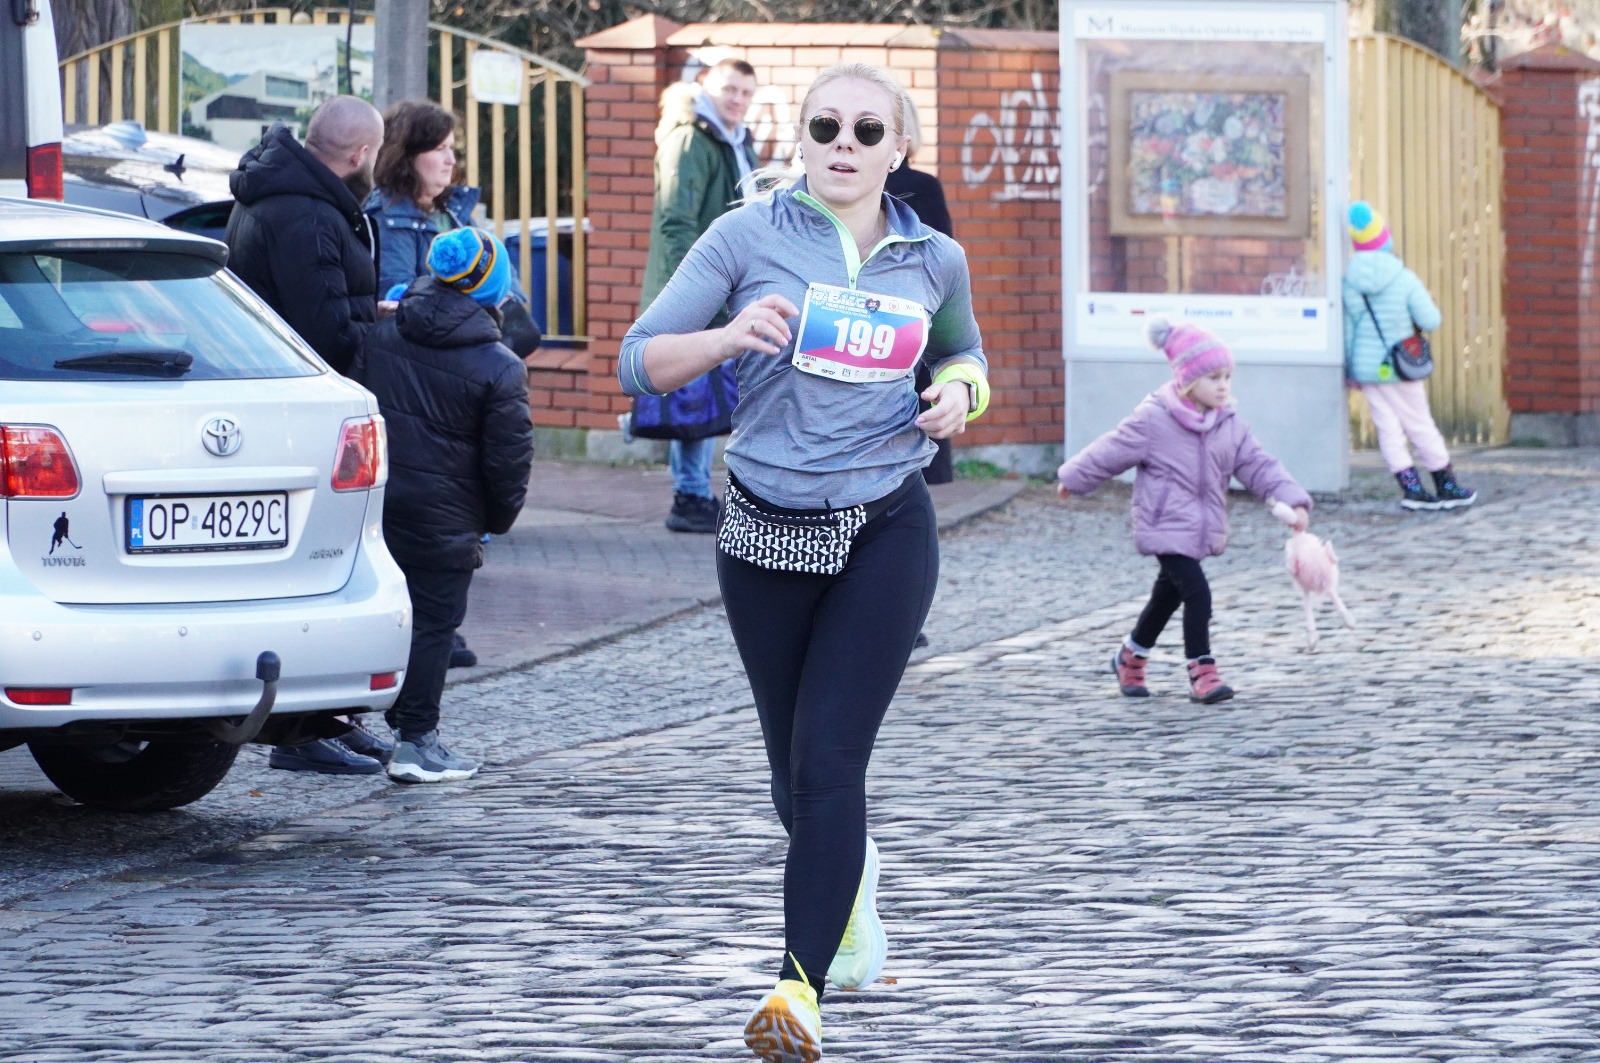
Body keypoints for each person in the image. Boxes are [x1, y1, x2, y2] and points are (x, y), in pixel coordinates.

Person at [620, 62, 990, 1062]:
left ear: (898, 149)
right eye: (826, 126)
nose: (844, 144)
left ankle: (798, 989)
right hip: (765, 531)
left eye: (868, 130)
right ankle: (850, 889)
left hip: (885, 524)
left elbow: (967, 354)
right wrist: (725, 337)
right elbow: (639, 359)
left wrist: (959, 394)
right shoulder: (746, 237)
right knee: (794, 775)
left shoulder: (934, 257)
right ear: (801, 138)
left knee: (830, 760)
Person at [225, 96, 395, 775]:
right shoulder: (309, 214)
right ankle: (300, 732)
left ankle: (328, 718)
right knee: (310, 571)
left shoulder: (284, 195)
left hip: (281, 408)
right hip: (301, 419)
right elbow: (322, 330)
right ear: (361, 154)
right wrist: (382, 337)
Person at [351, 227, 534, 783]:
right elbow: (509, 463)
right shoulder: (500, 366)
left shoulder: (379, 335)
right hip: (445, 518)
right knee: (433, 625)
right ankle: (416, 743)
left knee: (371, 614)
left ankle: (338, 726)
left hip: (374, 506)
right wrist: (493, 522)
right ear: (493, 289)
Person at [365, 100, 539, 670]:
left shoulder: (456, 213)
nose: (450, 160)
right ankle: (422, 637)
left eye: (451, 149)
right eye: (438, 149)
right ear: (407, 155)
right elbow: (394, 301)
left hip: (469, 376)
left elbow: (500, 285)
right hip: (421, 384)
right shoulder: (385, 218)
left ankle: (440, 628)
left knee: (460, 498)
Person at [1057, 318, 1311, 705]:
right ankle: (1202, 671)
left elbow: (1260, 466)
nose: (1223, 386)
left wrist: (1291, 499)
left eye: (1227, 377)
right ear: (1188, 380)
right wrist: (1073, 478)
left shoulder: (1230, 426)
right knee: (1197, 593)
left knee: (1167, 596)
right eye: (1213, 377)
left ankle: (1130, 656)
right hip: (1164, 524)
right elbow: (1110, 450)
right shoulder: (1154, 419)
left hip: (1200, 527)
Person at [636, 58, 760, 534]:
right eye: (730, 89)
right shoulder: (691, 138)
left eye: (746, 92)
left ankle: (698, 489)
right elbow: (676, 221)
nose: (738, 100)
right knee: (692, 396)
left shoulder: (736, 140)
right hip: (698, 289)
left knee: (708, 394)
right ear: (706, 86)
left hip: (728, 288)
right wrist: (693, 293)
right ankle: (688, 494)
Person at [225, 96, 384, 376]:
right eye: (377, 153)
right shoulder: (311, 220)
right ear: (360, 155)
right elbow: (332, 341)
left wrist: (371, 314)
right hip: (291, 384)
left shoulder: (277, 191)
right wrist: (389, 332)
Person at [1343, 202, 1477, 511]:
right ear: (1384, 240)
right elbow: (1431, 320)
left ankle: (1412, 490)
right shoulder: (1404, 278)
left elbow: (1348, 331)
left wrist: (1351, 369)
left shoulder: (1349, 281)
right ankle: (1446, 486)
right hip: (1400, 365)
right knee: (1419, 423)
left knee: (1387, 427)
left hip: (1367, 368)